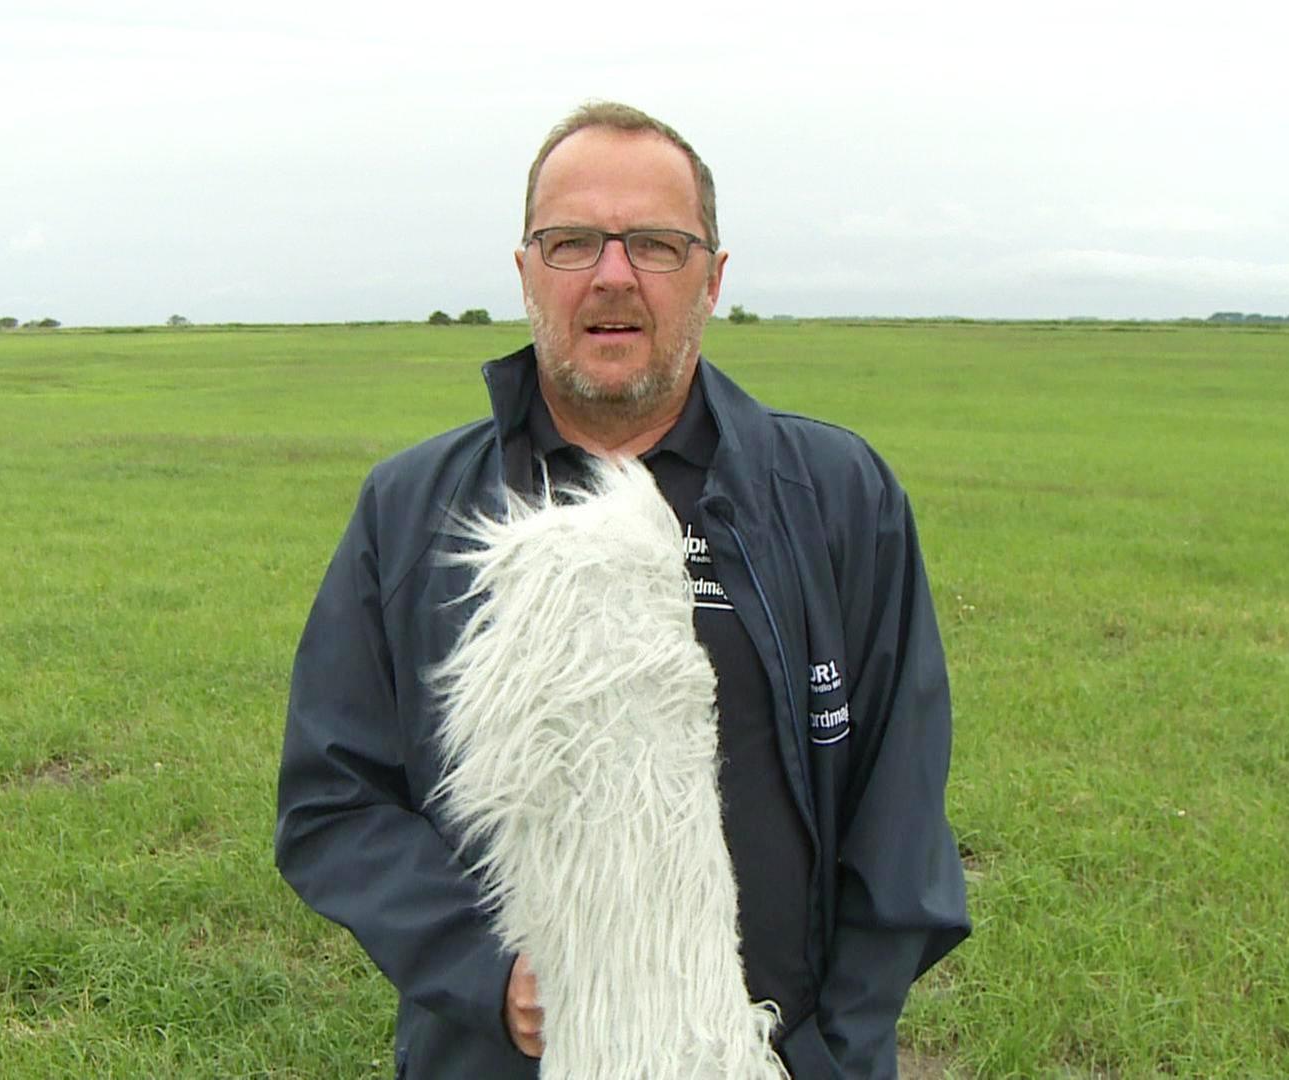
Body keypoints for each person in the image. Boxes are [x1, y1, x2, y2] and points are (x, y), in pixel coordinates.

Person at [275, 101, 969, 1079]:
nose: (612, 274)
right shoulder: (413, 510)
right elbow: (333, 800)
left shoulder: (838, 497)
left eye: (654, 243)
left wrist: (832, 1055)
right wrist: (487, 973)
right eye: (572, 242)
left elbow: (898, 823)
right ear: (526, 272)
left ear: (712, 279)